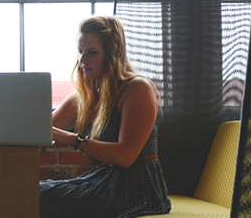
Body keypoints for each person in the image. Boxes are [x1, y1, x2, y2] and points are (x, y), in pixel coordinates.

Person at [39, 16, 172, 217]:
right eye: (80, 51)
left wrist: (72, 139)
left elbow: (125, 157)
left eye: (92, 53)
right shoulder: (84, 98)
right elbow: (38, 129)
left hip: (137, 189)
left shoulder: (136, 88)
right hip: (102, 181)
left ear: (112, 55)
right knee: (32, 191)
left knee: (41, 197)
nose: (82, 60)